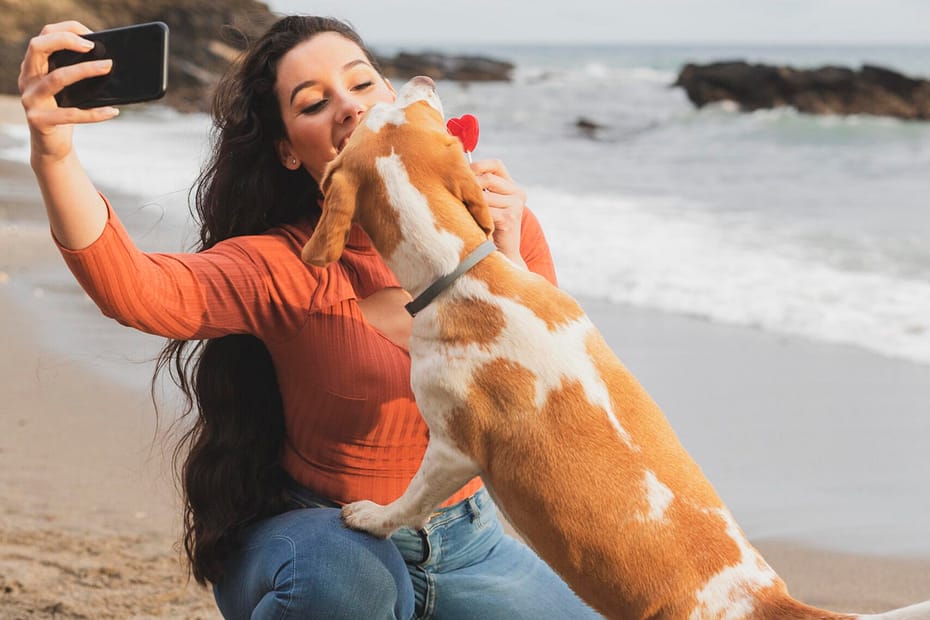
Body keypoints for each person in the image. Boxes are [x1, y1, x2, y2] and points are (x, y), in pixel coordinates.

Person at [19, 15, 602, 620]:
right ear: (288, 151)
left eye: (362, 85)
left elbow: (547, 405)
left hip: (468, 547)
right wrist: (53, 153)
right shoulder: (285, 267)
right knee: (354, 579)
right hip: (319, 540)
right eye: (314, 103)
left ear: (397, 102)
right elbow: (139, 291)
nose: (348, 108)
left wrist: (505, 264)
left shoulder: (500, 227)